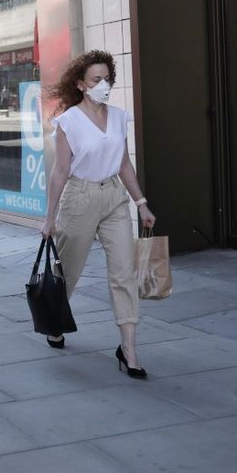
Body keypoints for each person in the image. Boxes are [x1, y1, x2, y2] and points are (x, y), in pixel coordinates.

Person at [40, 50, 157, 378]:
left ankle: (129, 350)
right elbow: (60, 171)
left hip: (114, 200)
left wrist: (141, 203)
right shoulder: (68, 122)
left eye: (107, 79)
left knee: (124, 273)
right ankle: (54, 323)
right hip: (79, 198)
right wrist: (49, 217)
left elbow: (123, 164)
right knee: (68, 272)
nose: (103, 85)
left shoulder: (120, 117)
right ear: (80, 84)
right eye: (96, 79)